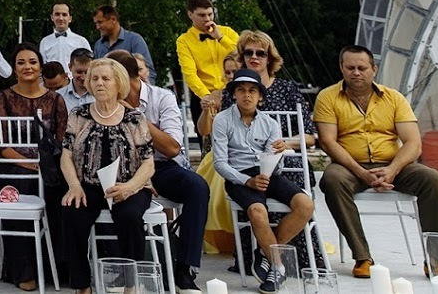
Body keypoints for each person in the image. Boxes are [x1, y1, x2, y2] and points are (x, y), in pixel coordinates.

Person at [314, 44, 438, 279]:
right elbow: (328, 142)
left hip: (393, 164)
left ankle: (436, 260)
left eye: (362, 68)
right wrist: (361, 173)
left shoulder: (394, 98)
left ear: (374, 69)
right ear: (341, 69)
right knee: (332, 179)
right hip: (349, 166)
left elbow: (413, 143)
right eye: (350, 68)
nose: (356, 73)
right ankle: (363, 257)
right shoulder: (327, 97)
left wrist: (392, 170)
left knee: (433, 179)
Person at [109, 50, 206, 294]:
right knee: (121, 202)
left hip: (161, 165)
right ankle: (126, 268)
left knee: (197, 186)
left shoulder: (162, 98)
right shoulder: (105, 101)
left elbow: (172, 148)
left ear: (123, 78)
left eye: (109, 78)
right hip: (122, 170)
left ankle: (185, 268)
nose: (103, 84)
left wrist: (136, 117)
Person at [214, 68, 316, 293]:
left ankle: (265, 250)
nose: (246, 95)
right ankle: (278, 267)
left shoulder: (269, 123)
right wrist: (247, 181)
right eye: (241, 90)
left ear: (260, 96)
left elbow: (275, 164)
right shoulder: (222, 120)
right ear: (234, 94)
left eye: (252, 90)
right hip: (239, 176)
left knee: (306, 205)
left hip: (267, 173)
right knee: (257, 211)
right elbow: (220, 163)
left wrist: (277, 153)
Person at [59, 57, 154, 294]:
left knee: (129, 217)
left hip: (129, 186)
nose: (99, 83)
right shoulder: (79, 114)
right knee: (72, 214)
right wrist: (74, 186)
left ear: (118, 83)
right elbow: (66, 155)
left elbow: (148, 163)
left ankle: (131, 285)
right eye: (95, 78)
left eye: (105, 78)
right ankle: (82, 286)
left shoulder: (134, 117)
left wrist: (130, 187)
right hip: (88, 185)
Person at [0, 42, 69, 292]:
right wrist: (28, 163)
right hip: (12, 163)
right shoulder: (3, 98)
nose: (28, 67)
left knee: (62, 190)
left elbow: (61, 141)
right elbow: (2, 145)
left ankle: (57, 267)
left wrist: (45, 164)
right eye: (21, 62)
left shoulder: (55, 99)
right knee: (22, 186)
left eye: (33, 62)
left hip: (48, 164)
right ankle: (22, 270)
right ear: (14, 68)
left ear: (41, 66)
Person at [197, 53, 244, 257]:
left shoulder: (251, 96)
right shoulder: (218, 96)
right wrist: (206, 111)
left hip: (243, 154)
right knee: (217, 173)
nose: (231, 76)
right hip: (218, 153)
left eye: (235, 71)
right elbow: (203, 131)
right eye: (228, 72)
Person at [175, 0, 239, 146]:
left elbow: (242, 56)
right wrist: (207, 97)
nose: (207, 19)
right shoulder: (184, 41)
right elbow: (190, 73)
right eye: (202, 15)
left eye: (210, 14)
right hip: (204, 95)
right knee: (207, 143)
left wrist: (220, 38)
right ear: (190, 14)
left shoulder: (227, 32)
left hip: (234, 92)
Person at [41, 1, 91, 69]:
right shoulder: (45, 42)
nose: (61, 18)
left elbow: (89, 65)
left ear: (70, 18)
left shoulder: (81, 41)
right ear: (52, 17)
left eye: (64, 15)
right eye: (57, 14)